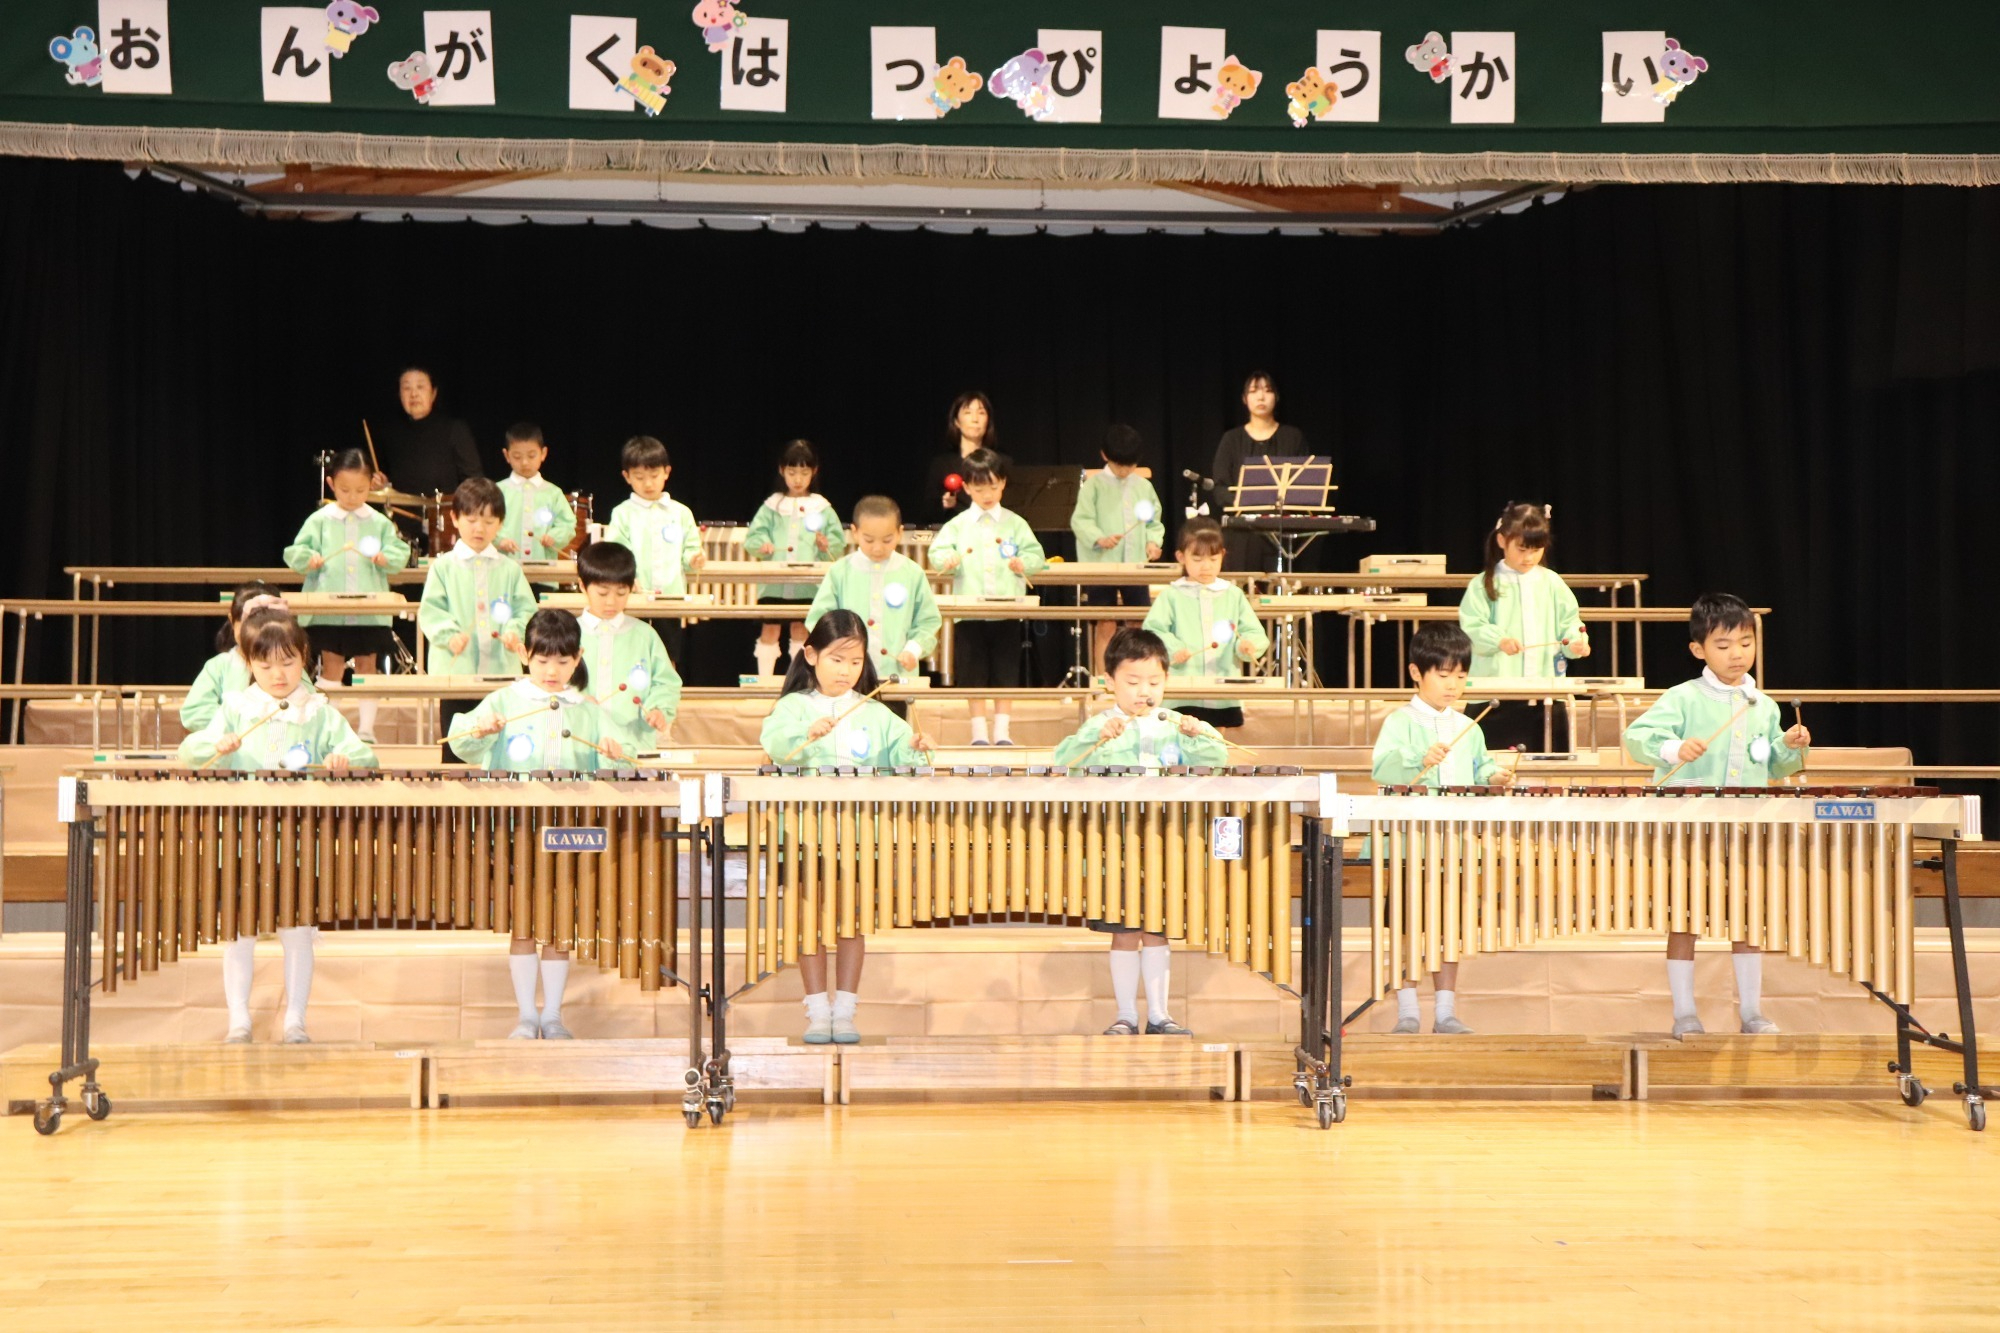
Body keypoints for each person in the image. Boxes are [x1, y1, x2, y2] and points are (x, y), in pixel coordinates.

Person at [177, 616, 376, 1043]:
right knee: (240, 933)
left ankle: (295, 1022)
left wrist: (343, 761)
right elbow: (190, 753)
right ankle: (239, 1021)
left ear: (303, 658)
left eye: (287, 663)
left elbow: (364, 756)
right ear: (250, 664)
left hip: (299, 840)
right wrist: (216, 746)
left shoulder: (318, 711)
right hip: (243, 838)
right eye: (265, 666)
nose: (278, 675)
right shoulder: (235, 708)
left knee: (298, 933)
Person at [1624, 593, 1810, 1038]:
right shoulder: (1683, 697)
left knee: (1748, 918)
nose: (1736, 654)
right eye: (1723, 645)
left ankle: (1752, 1012)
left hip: (1746, 824)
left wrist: (1788, 747)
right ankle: (1685, 1013)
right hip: (1691, 825)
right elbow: (1637, 737)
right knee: (1686, 918)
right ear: (1699, 649)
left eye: (1745, 643)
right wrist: (1675, 748)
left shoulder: (1763, 705)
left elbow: (1767, 762)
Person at [449, 609, 627, 1040]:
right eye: (543, 660)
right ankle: (527, 1016)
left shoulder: (588, 710)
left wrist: (613, 751)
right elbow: (461, 744)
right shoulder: (503, 701)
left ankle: (554, 1016)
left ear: (578, 658)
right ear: (525, 655)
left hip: (570, 830)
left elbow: (620, 762)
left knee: (559, 925)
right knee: (525, 923)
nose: (552, 671)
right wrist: (480, 731)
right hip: (519, 830)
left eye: (563, 662)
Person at [759, 610, 935, 1043]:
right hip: (805, 834)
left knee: (852, 923)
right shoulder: (792, 707)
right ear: (811, 655)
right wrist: (805, 734)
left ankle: (846, 1012)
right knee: (809, 924)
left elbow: (905, 759)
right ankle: (817, 1012)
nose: (846, 670)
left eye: (856, 662)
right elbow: (775, 746)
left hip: (859, 837)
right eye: (837, 659)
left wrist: (917, 747)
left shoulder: (876, 712)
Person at [1052, 628, 1227, 1036]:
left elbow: (1219, 758)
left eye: (1154, 682)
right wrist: (1095, 738)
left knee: (1157, 929)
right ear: (1109, 681)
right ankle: (1126, 1015)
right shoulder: (1100, 725)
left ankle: (1160, 1015)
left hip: (1165, 843)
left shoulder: (1175, 724)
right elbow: (1063, 762)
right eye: (1132, 682)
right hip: (1115, 846)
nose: (1143, 692)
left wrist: (1199, 733)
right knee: (1125, 930)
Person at [1370, 623, 1514, 1035]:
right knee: (1408, 927)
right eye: (1444, 675)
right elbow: (1381, 768)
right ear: (1416, 673)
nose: (1453, 685)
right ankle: (1407, 1011)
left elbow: (1481, 771)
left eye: (1461, 676)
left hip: (1455, 842)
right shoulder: (1399, 721)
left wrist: (1495, 777)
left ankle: (1445, 1012)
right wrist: (1419, 757)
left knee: (1449, 926)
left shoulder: (1470, 727)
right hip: (1411, 843)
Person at [282, 448, 412, 742]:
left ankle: (366, 730)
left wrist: (385, 558)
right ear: (331, 484)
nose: (353, 497)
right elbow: (295, 552)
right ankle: (332, 731)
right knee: (332, 666)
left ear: (371, 485)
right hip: (330, 611)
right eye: (344, 490)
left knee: (368, 666)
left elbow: (399, 553)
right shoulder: (320, 520)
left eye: (360, 490)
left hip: (369, 611)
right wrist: (310, 559)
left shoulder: (378, 522)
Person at [928, 449, 1047, 745]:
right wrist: (948, 560)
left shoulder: (1015, 523)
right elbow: (936, 553)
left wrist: (1023, 563)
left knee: (1006, 673)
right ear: (967, 488)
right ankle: (979, 734)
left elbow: (1037, 556)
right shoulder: (958, 525)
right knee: (973, 674)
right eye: (980, 488)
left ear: (1003, 483)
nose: (987, 494)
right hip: (970, 611)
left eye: (993, 486)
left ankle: (1002, 732)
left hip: (1007, 610)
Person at [1457, 502, 1591, 753]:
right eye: (1521, 549)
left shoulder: (1552, 582)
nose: (1528, 557)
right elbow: (1472, 627)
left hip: (1545, 695)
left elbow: (1570, 622)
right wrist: (1498, 640)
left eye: (1536, 550)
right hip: (1495, 696)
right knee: (1491, 765)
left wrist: (1575, 642)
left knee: (1549, 766)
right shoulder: (1483, 584)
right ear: (1502, 540)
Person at [418, 477, 532, 757]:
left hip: (501, 675)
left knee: (501, 751)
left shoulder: (510, 569)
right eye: (471, 520)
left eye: (489, 521)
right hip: (457, 675)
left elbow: (526, 610)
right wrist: (449, 636)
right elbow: (431, 610)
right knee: (457, 748)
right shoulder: (443, 567)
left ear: (500, 523)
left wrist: (515, 631)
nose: (479, 528)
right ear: (454, 518)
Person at [805, 495, 941, 699]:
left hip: (896, 676)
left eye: (887, 540)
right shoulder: (840, 572)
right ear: (855, 532)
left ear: (899, 533)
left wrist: (914, 649)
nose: (878, 548)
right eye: (869, 540)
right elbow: (818, 620)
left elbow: (928, 620)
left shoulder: (912, 573)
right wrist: (837, 647)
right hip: (847, 677)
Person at [1142, 516, 1270, 730]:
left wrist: (1246, 645)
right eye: (1197, 559)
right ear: (1181, 557)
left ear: (1222, 556)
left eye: (1213, 559)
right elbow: (1153, 631)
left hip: (1223, 690)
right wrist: (1174, 649)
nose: (1206, 566)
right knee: (1180, 740)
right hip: (1182, 690)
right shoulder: (1171, 595)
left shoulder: (1233, 595)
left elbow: (1253, 632)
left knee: (1216, 742)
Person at [744, 439, 845, 678]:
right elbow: (753, 538)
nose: (798, 479)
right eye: (792, 472)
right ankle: (764, 681)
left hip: (806, 584)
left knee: (801, 630)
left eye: (804, 473)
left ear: (814, 472)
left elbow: (837, 544)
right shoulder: (771, 506)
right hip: (774, 583)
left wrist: (825, 545)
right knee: (770, 629)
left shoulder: (822, 507)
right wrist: (763, 545)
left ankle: (797, 680)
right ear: (782, 471)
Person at [1070, 423, 1166, 674]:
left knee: (1137, 622)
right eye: (1119, 465)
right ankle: (1104, 679)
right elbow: (1080, 521)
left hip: (1135, 566)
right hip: (1101, 566)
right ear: (1105, 455)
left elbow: (1153, 521)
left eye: (1130, 465)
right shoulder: (1093, 486)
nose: (1125, 470)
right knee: (1106, 623)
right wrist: (1099, 538)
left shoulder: (1143, 487)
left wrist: (1153, 542)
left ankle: (1136, 674)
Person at [574, 541, 682, 757]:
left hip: (633, 744)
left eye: (621, 593)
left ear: (632, 587)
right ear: (582, 586)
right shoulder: (569, 633)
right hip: (580, 743)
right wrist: (574, 698)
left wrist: (659, 709)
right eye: (602, 593)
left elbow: (666, 682)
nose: (611, 602)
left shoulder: (645, 635)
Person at [602, 434, 705, 660]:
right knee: (631, 654)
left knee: (668, 655)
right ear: (627, 477)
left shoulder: (681, 513)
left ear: (667, 472)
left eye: (654, 475)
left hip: (670, 596)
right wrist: (627, 577)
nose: (648, 484)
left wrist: (694, 558)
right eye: (639, 477)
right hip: (633, 597)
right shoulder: (622, 513)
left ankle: (667, 684)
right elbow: (616, 553)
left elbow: (690, 549)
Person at [1210, 370, 1308, 572]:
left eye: (1267, 390)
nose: (1261, 397)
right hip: (1241, 534)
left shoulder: (1293, 437)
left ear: (1276, 397)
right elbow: (1220, 489)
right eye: (1254, 391)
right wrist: (1247, 500)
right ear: (1244, 399)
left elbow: (1305, 485)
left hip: (1283, 531)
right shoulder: (1231, 439)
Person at [182, 583, 292, 733]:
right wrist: (236, 722)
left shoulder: (290, 664)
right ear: (232, 620)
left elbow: (307, 705)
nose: (256, 633)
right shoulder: (219, 665)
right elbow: (194, 712)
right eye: (247, 624)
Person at [371, 364, 482, 497]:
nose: (413, 394)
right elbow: (385, 479)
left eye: (420, 387)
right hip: (399, 509)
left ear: (433, 393)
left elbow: (474, 482)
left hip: (444, 509)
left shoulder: (455, 429)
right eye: (407, 388)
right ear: (400, 395)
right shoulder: (389, 433)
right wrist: (382, 484)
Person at [494, 422, 578, 567]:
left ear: (543, 454)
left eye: (531, 456)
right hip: (505, 567)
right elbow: (485, 521)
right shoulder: (497, 491)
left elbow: (567, 524)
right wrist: (499, 540)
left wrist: (554, 537)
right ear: (507, 455)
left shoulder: (553, 493)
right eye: (517, 457)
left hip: (544, 568)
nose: (525, 462)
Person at [924, 391, 997, 520]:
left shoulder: (998, 462)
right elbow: (928, 512)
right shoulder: (942, 464)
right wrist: (944, 505)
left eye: (981, 413)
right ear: (956, 421)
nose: (975, 419)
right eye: (968, 413)